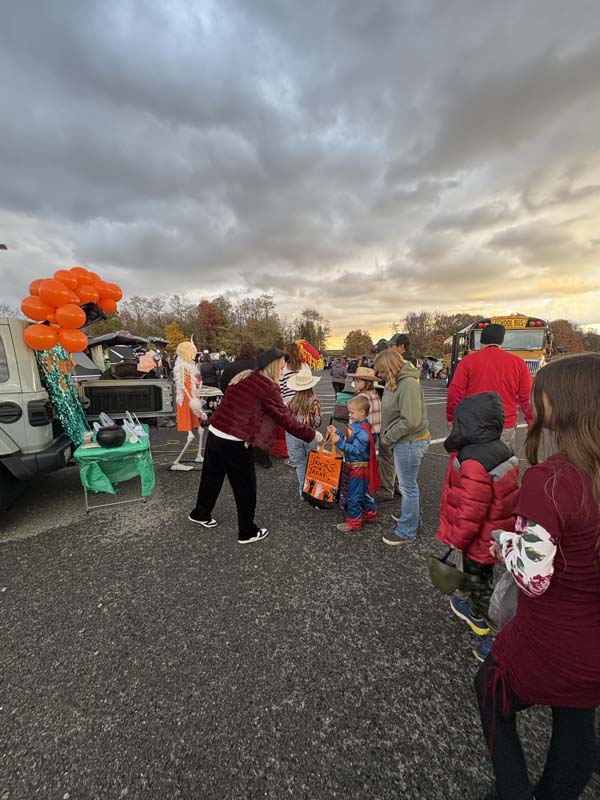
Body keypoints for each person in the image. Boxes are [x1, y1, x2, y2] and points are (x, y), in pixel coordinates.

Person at [475, 353, 600, 800]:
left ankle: (512, 791)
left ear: (564, 403)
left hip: (552, 635)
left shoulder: (550, 480)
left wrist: (505, 543)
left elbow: (533, 578)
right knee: (576, 716)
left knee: (489, 689)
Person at [188, 348, 323, 544]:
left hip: (216, 431)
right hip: (235, 440)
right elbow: (285, 419)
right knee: (245, 487)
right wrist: (312, 434)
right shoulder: (267, 387)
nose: (283, 371)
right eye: (281, 367)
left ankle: (200, 513)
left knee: (211, 477)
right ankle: (247, 531)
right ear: (273, 366)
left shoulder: (245, 376)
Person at [436, 392, 519, 662]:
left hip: (477, 539)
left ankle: (495, 634)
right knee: (482, 576)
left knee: (480, 585)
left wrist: (456, 540)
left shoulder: (472, 460)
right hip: (494, 536)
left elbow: (470, 512)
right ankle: (473, 609)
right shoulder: (503, 450)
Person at [446, 323, 533, 449]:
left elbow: (455, 393)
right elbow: (527, 397)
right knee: (502, 459)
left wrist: (451, 418)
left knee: (472, 458)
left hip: (473, 423)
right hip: (504, 424)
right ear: (501, 341)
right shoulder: (518, 363)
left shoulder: (468, 361)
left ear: (481, 341)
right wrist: (532, 422)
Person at [374, 349, 430, 545]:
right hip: (404, 441)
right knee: (409, 485)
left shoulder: (408, 385)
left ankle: (407, 530)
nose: (378, 375)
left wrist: (388, 436)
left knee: (407, 487)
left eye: (381, 371)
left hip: (410, 442)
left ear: (390, 369)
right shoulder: (396, 382)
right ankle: (412, 517)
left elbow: (411, 421)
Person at [327, 394, 379, 532]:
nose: (349, 415)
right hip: (358, 466)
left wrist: (339, 442)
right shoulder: (360, 427)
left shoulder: (362, 432)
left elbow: (356, 450)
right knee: (363, 493)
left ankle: (354, 522)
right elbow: (349, 440)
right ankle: (369, 514)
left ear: (362, 412)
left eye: (351, 412)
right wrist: (337, 432)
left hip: (358, 467)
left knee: (354, 496)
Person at [285, 364, 322, 496]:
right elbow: (317, 421)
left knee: (301, 464)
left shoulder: (291, 402)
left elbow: (287, 421)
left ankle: (302, 491)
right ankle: (312, 491)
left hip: (295, 436)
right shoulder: (314, 402)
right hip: (309, 435)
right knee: (312, 464)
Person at [347, 366, 382, 440]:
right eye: (355, 380)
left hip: (361, 432)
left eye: (358, 381)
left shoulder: (361, 397)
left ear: (367, 383)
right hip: (374, 432)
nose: (355, 383)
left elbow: (354, 418)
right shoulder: (375, 395)